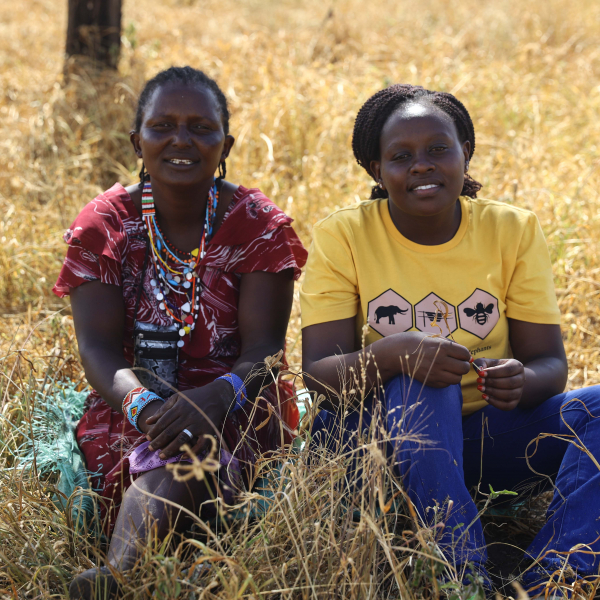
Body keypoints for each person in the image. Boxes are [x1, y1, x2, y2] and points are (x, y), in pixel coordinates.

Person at [300, 84, 600, 597]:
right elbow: (319, 377)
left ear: (466, 152)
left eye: (438, 149)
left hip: (484, 440)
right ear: (376, 170)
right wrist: (392, 355)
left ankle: (556, 576)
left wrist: (521, 380)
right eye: (400, 156)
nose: (422, 165)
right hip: (377, 446)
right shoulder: (345, 235)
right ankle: (462, 575)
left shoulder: (511, 229)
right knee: (422, 376)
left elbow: (550, 364)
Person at [53, 66, 307, 598]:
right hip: (130, 400)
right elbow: (96, 349)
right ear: (136, 142)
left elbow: (265, 349)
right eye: (163, 126)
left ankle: (119, 577)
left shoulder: (258, 227)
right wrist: (145, 408)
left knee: (201, 445)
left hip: (238, 399)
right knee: (170, 446)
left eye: (201, 128)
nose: (181, 140)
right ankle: (138, 569)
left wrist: (216, 397)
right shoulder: (104, 226)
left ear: (225, 145)